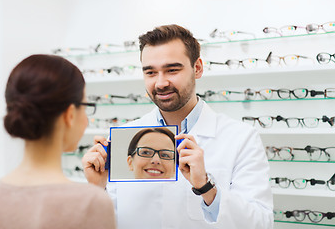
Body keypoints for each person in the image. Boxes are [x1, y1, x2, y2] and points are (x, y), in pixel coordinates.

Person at [82, 24, 274, 229]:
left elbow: (261, 223)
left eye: (172, 70)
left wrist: (206, 187)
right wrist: (97, 190)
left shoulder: (241, 138)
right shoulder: (125, 138)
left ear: (197, 68)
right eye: (150, 72)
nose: (161, 83)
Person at [0, 55, 116, 229]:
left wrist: (95, 188)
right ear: (70, 115)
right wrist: (96, 192)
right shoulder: (91, 202)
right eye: (86, 106)